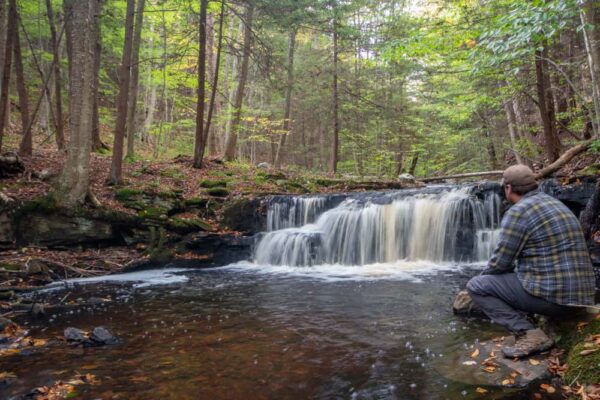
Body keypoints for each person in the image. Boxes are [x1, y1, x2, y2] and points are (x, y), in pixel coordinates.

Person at [466, 165, 596, 358]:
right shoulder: (555, 203)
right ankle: (533, 321)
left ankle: (529, 333)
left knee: (477, 286)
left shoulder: (519, 212)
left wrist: (479, 285)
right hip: (583, 296)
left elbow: (500, 263)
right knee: (515, 277)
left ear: (508, 188)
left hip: (556, 300)